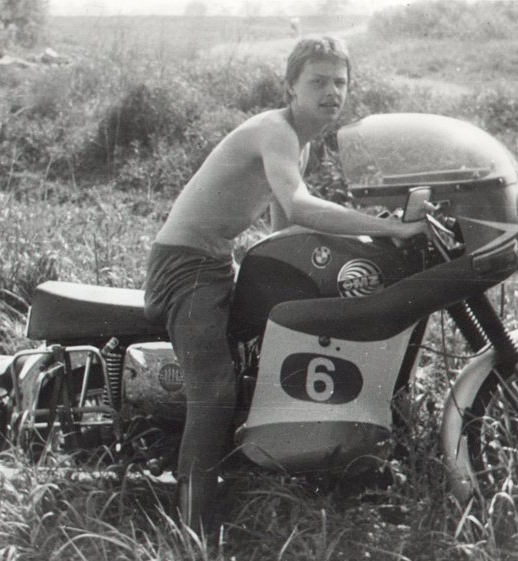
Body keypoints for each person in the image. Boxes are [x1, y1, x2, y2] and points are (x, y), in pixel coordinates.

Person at [143, 36, 428, 532]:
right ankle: (193, 530)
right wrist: (388, 229)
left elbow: (284, 229)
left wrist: (368, 238)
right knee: (214, 386)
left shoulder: (302, 143)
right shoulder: (275, 130)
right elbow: (298, 206)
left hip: (214, 264)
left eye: (340, 82)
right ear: (291, 86)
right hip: (184, 266)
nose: (331, 92)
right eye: (318, 81)